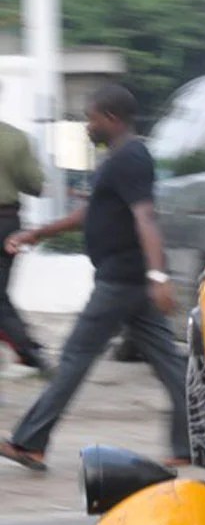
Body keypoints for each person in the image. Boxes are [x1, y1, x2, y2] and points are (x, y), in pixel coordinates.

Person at [0, 84, 189, 472]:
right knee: (170, 365)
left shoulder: (130, 158)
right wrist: (36, 233)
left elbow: (145, 217)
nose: (87, 126)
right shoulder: (116, 159)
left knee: (74, 359)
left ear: (111, 119)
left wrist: (158, 274)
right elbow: (88, 214)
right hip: (129, 281)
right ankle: (189, 444)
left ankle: (29, 443)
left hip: (122, 280)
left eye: (91, 118)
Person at [0, 80, 50, 375]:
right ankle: (27, 347)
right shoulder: (15, 139)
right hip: (6, 223)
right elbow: (36, 185)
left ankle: (28, 351)